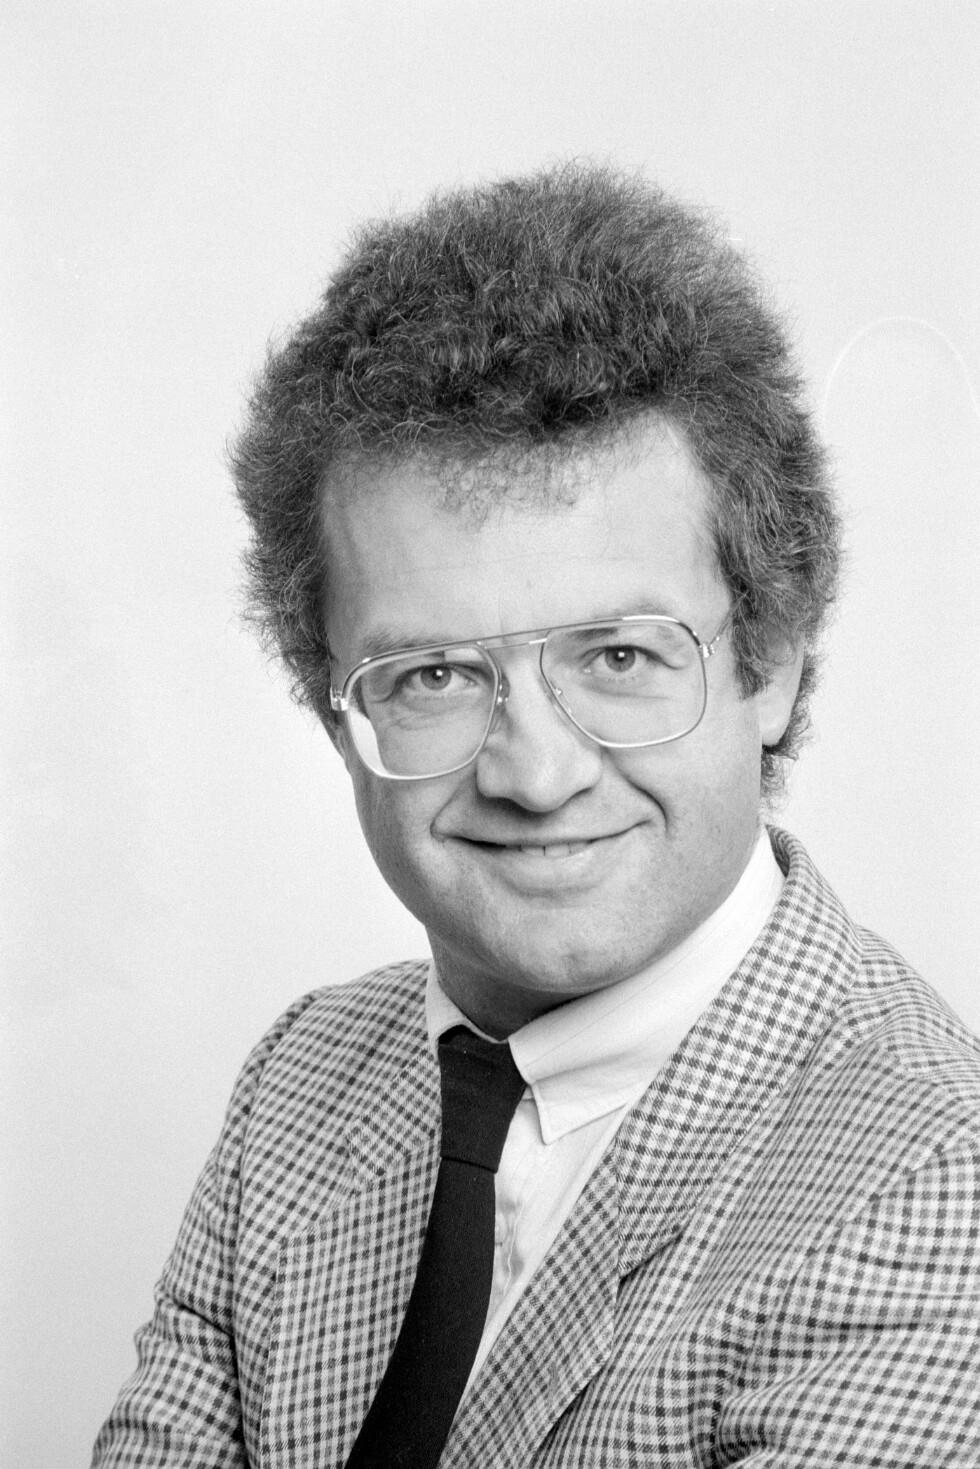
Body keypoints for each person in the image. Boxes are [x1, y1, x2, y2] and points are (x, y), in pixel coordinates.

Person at [92, 164, 980, 1468]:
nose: (537, 773)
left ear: (774, 662)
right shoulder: (303, 1081)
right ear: (333, 706)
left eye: (620, 655)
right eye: (436, 675)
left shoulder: (934, 1187)